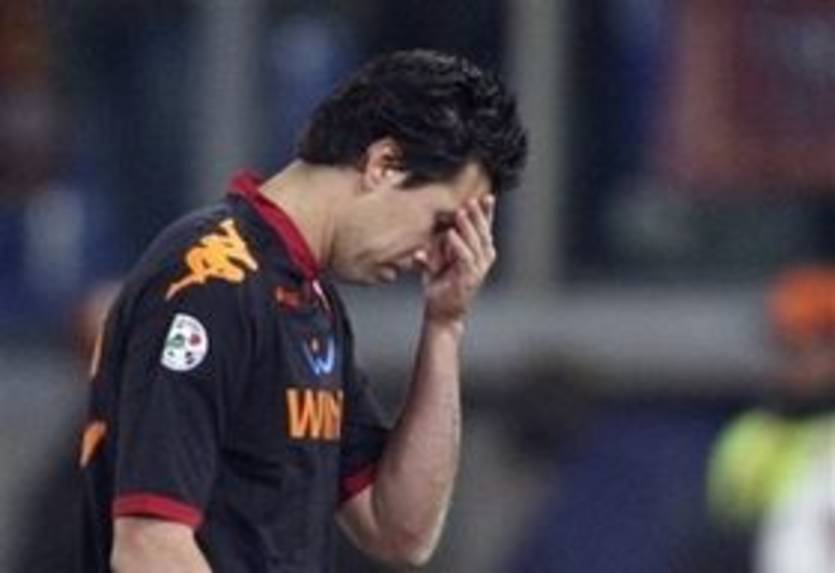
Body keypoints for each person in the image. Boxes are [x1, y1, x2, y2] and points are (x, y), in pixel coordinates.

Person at [79, 49, 527, 572]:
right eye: (439, 223)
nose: (433, 254)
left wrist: (445, 325)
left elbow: (400, 531)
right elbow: (149, 547)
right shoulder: (209, 280)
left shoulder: (311, 301)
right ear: (383, 164)